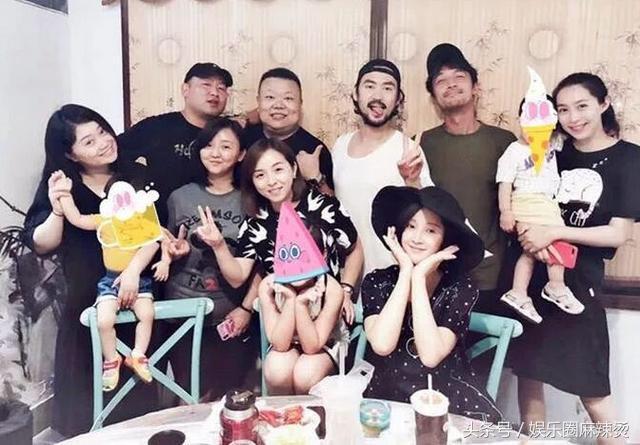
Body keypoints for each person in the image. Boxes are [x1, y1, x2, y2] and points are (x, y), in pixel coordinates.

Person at [513, 72, 640, 445]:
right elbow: (523, 196)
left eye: (582, 106)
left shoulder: (629, 158)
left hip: (579, 283)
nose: (573, 118)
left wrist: (554, 232)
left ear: (603, 104)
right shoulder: (554, 152)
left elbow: (618, 233)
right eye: (563, 110)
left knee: (592, 386)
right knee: (529, 373)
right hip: (532, 275)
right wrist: (530, 232)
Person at [23, 104, 159, 436]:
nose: (103, 142)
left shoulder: (134, 176)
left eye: (102, 131)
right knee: (85, 415)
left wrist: (134, 271)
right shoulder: (64, 186)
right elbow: (41, 243)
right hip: (86, 303)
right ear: (70, 154)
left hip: (135, 294)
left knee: (137, 416)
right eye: (88, 141)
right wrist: (58, 209)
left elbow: (153, 234)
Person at [361, 185, 502, 422]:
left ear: (445, 240)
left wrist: (418, 278)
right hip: (387, 396)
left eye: (430, 230)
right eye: (411, 226)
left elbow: (430, 356)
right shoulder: (378, 281)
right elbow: (382, 345)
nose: (417, 238)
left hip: (446, 399)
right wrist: (406, 272)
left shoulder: (459, 288)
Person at [194, 138, 363, 325]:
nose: (271, 181)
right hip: (282, 319)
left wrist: (345, 290)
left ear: (293, 169)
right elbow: (238, 277)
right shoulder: (255, 221)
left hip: (327, 314)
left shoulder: (324, 206)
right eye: (260, 175)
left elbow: (354, 248)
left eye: (278, 170)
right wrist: (219, 246)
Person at [161, 118, 259, 401]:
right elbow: (166, 244)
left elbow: (262, 265)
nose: (215, 153)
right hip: (182, 314)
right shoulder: (180, 197)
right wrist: (173, 251)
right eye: (209, 145)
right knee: (190, 393)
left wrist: (246, 308)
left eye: (226, 146)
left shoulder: (251, 201)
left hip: (229, 315)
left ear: (241, 154)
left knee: (228, 396)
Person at [420, 43, 516, 314]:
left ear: (476, 87)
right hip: (438, 273)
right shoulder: (422, 143)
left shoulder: (504, 142)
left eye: (459, 76)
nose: (450, 84)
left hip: (491, 275)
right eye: (441, 80)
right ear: (434, 96)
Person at [57, 175, 160, 391]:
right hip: (110, 281)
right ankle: (112, 359)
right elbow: (76, 218)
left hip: (140, 282)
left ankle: (138, 354)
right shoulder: (103, 220)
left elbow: (154, 243)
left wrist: (161, 262)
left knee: (147, 314)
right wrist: (65, 194)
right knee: (104, 321)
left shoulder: (142, 221)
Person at [332, 59, 433, 275]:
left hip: (390, 274)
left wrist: (412, 181)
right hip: (346, 273)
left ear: (398, 99)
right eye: (369, 86)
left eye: (388, 88)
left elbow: (429, 218)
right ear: (356, 94)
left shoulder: (407, 149)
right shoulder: (340, 145)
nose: (378, 96)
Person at [497, 70, 583, 324]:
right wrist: (506, 212)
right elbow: (505, 183)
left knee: (533, 251)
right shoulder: (514, 151)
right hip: (525, 203)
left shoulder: (553, 143)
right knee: (550, 242)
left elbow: (572, 133)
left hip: (547, 204)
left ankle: (519, 292)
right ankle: (554, 286)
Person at [118, 62, 234, 224]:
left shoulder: (231, 133)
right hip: (161, 228)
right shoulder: (156, 127)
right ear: (185, 90)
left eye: (221, 88)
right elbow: (113, 155)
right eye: (206, 85)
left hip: (223, 225)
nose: (214, 92)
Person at [258, 219, 346, 395]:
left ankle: (312, 413)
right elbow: (280, 344)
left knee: (305, 374)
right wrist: (291, 299)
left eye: (306, 257)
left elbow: (312, 346)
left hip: (324, 346)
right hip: (286, 343)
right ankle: (283, 412)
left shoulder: (332, 290)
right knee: (276, 370)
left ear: (323, 255)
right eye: (289, 255)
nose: (297, 267)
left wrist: (301, 304)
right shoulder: (268, 286)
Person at [242, 68, 334, 195]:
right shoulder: (241, 138)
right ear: (258, 101)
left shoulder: (314, 150)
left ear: (300, 104)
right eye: (270, 97)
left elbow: (332, 204)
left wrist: (316, 178)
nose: (278, 105)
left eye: (288, 98)